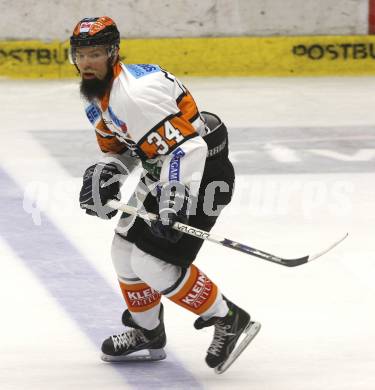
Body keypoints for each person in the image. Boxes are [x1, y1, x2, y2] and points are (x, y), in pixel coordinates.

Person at [70, 16, 259, 372]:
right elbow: (124, 148)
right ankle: (148, 332)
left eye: (95, 53)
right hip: (164, 170)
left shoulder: (136, 97)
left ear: (114, 53)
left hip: (201, 177)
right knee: (123, 253)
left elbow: (188, 149)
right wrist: (106, 172)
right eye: (80, 54)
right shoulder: (97, 98)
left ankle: (229, 317)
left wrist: (176, 198)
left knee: (151, 263)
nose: (86, 62)